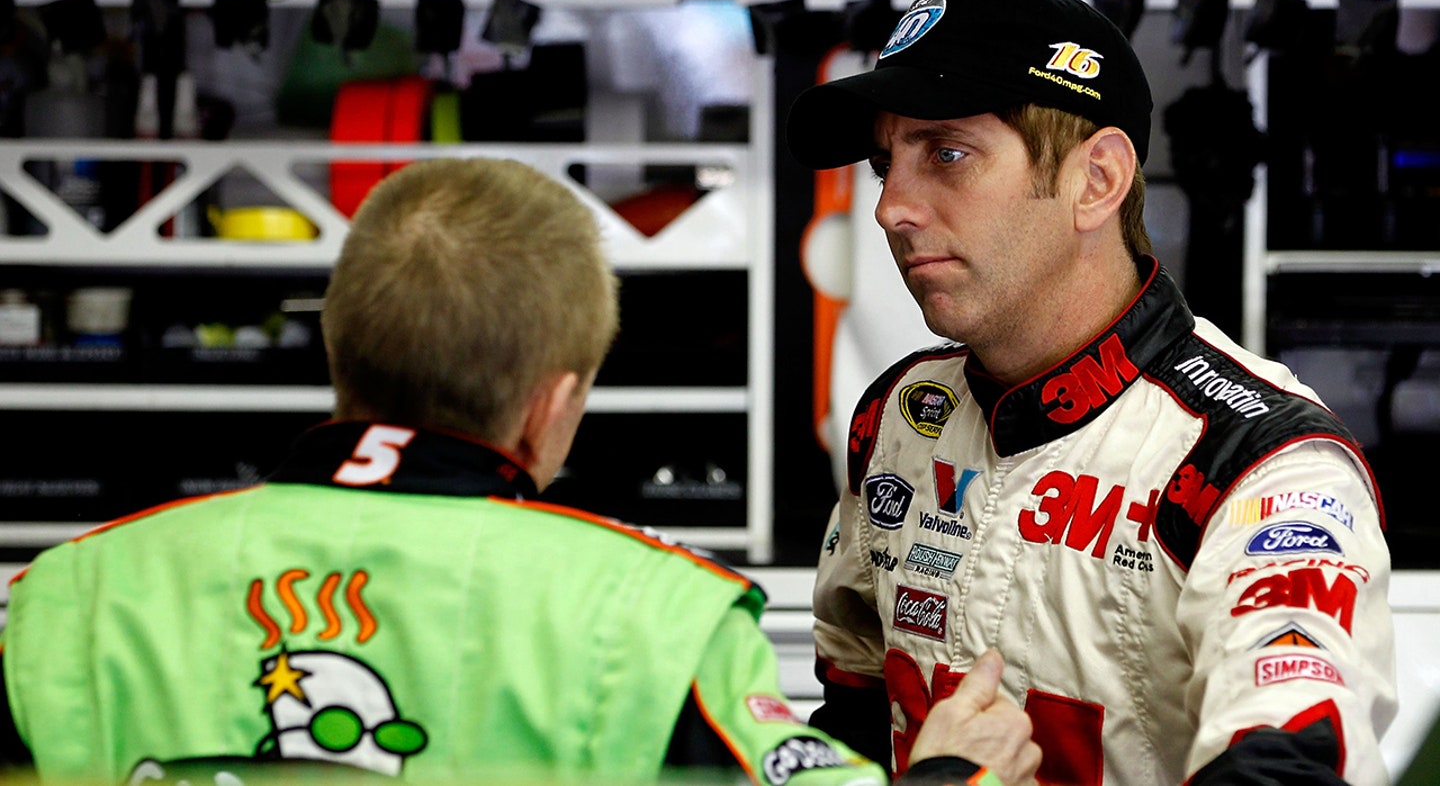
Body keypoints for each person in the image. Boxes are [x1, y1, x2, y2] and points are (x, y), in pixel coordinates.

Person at [0, 157, 1039, 786]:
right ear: (554, 402)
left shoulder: (70, 596)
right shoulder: (656, 618)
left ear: (336, 350)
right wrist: (958, 771)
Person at [784, 0, 1397, 785]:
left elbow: (1290, 771)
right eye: (883, 164)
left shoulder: (1256, 463)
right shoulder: (900, 417)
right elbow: (853, 721)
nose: (890, 207)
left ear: (1098, 181)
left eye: (946, 154)